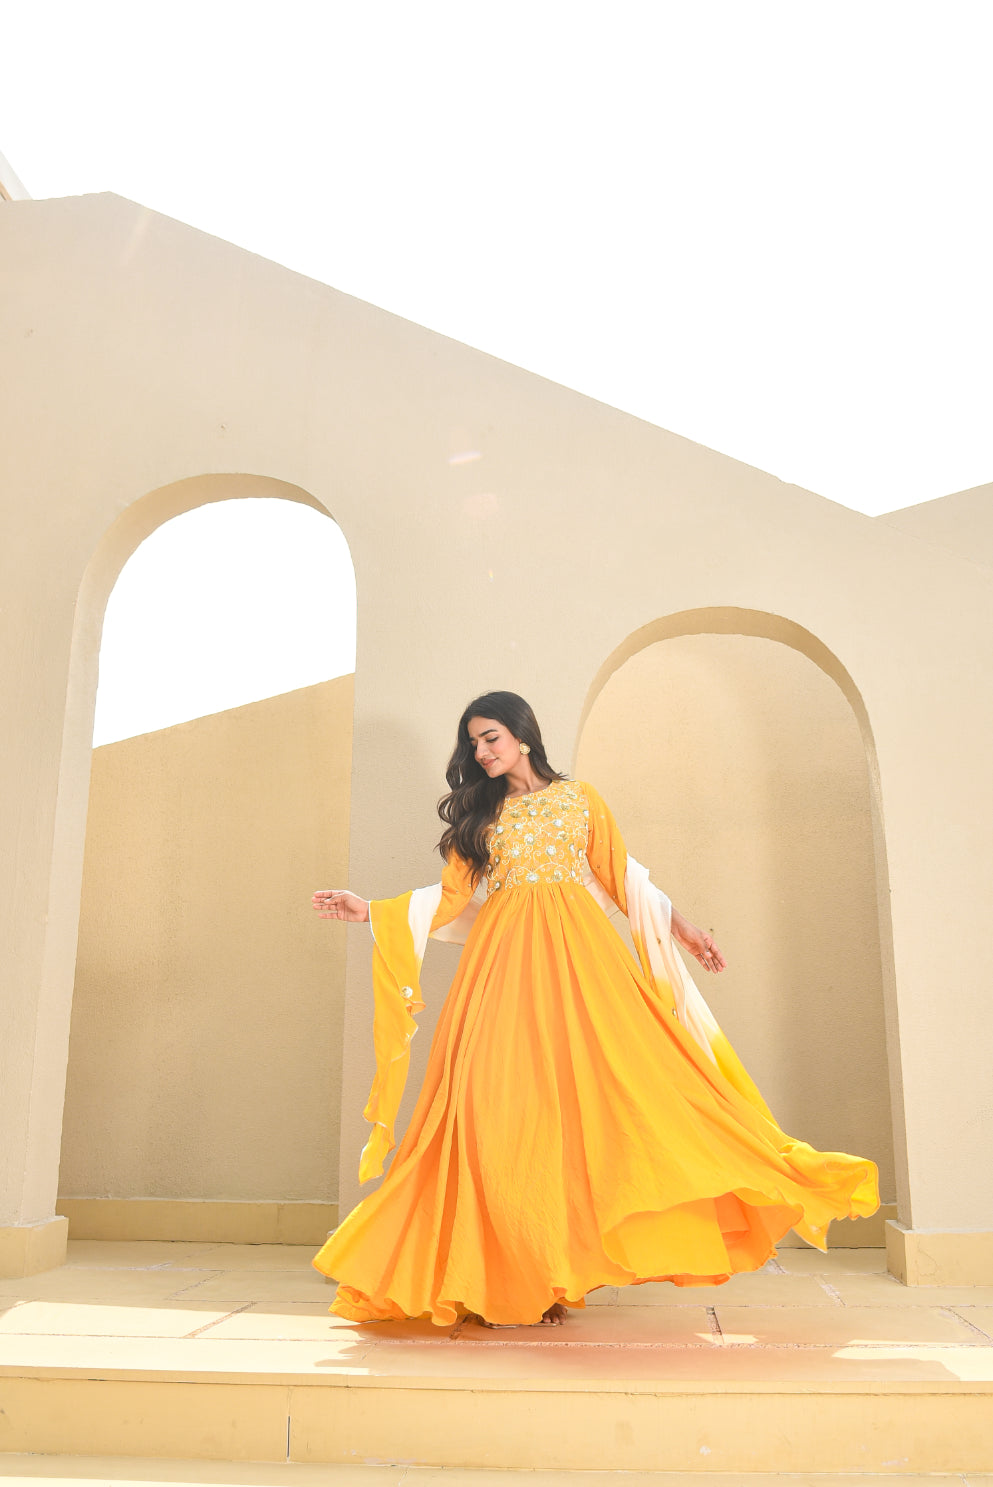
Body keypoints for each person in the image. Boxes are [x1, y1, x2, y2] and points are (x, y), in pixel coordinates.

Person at [311, 691, 879, 1328]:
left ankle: (551, 1276)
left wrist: (687, 931)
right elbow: (448, 900)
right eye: (474, 742)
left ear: (523, 735)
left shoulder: (582, 801)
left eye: (491, 737)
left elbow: (623, 880)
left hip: (581, 965)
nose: (481, 752)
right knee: (496, 1109)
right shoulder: (481, 814)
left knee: (601, 1106)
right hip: (501, 970)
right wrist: (370, 911)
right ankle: (506, 1273)